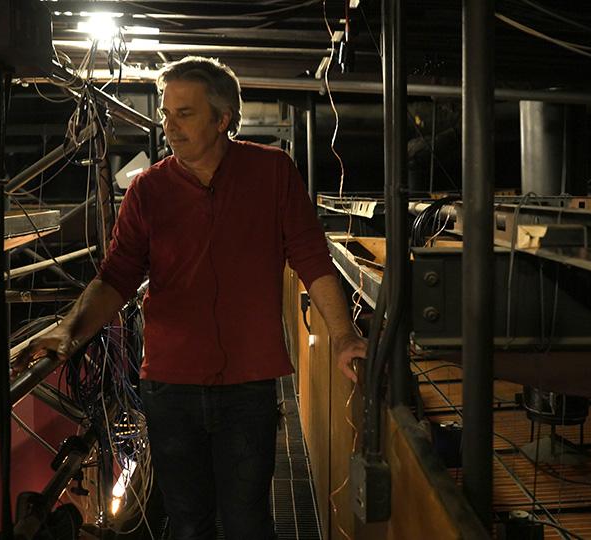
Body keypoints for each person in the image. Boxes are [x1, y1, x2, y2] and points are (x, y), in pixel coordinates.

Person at [19, 56, 367, 540]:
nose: (169, 127)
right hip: (171, 386)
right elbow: (117, 277)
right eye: (166, 114)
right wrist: (71, 328)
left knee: (248, 521)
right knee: (187, 523)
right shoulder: (149, 190)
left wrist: (346, 337)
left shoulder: (272, 173)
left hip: (249, 384)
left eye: (184, 113)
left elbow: (313, 261)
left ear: (223, 119)